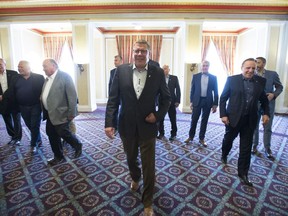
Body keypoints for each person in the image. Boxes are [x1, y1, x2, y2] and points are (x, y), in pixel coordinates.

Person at [105, 39, 171, 216]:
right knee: (131, 158)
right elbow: (113, 99)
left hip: (148, 126)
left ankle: (148, 201)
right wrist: (109, 123)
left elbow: (166, 99)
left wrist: (157, 116)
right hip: (126, 125)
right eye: (137, 51)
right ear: (132, 53)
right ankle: (135, 177)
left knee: (149, 165)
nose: (140, 54)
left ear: (149, 54)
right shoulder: (121, 71)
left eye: (143, 51)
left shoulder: (157, 72)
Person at [220, 58, 270, 187]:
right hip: (233, 118)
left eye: (253, 68)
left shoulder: (260, 81)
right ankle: (224, 154)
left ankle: (243, 173)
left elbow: (264, 100)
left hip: (250, 119)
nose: (251, 70)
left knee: (246, 148)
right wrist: (223, 115)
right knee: (228, 140)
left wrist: (266, 113)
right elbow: (223, 98)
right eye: (248, 68)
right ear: (242, 67)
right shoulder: (232, 80)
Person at [41, 58, 82, 166]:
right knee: (51, 134)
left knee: (63, 133)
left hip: (62, 113)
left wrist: (71, 113)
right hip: (50, 113)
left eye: (45, 66)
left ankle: (77, 145)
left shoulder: (65, 77)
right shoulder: (47, 79)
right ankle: (58, 156)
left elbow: (72, 97)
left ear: (53, 66)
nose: (43, 69)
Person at [252, 57, 283, 159]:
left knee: (267, 127)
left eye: (258, 62)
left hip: (268, 104)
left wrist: (273, 95)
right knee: (254, 126)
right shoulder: (252, 74)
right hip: (255, 105)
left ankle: (267, 148)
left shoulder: (272, 74)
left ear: (264, 63)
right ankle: (254, 146)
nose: (256, 64)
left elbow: (279, 87)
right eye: (255, 62)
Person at [184, 60, 218, 147]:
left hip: (208, 101)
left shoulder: (213, 77)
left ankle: (201, 138)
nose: (205, 67)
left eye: (206, 66)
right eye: (203, 65)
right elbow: (192, 90)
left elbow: (216, 92)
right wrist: (191, 101)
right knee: (194, 119)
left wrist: (215, 104)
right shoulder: (195, 76)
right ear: (201, 67)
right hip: (197, 101)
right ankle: (190, 137)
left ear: (208, 67)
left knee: (204, 120)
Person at [14, 60, 45, 153]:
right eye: (18, 67)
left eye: (21, 67)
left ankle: (33, 144)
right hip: (22, 107)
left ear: (28, 67)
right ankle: (38, 139)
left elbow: (44, 91)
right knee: (30, 125)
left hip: (35, 106)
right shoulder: (16, 78)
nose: (19, 69)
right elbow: (12, 91)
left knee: (35, 125)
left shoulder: (39, 77)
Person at [0, 58, 22, 145]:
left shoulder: (13, 73)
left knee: (16, 120)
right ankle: (13, 136)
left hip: (14, 101)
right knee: (7, 120)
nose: (0, 66)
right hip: (2, 102)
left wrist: (3, 96)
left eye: (1, 64)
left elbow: (15, 87)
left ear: (5, 64)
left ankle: (18, 138)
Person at [157, 64, 181, 141]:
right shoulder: (159, 78)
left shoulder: (174, 78)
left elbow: (178, 90)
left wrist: (178, 100)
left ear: (169, 70)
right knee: (161, 119)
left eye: (166, 69)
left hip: (172, 102)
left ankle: (173, 134)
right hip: (162, 102)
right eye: (163, 69)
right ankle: (161, 133)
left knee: (172, 118)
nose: (165, 70)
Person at [108, 55, 123, 134]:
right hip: (115, 96)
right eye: (114, 60)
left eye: (116, 60)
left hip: (124, 96)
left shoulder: (126, 71)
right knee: (115, 111)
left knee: (123, 112)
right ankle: (115, 127)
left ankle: (122, 126)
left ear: (121, 61)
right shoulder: (112, 71)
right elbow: (110, 84)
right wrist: (110, 95)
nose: (115, 62)